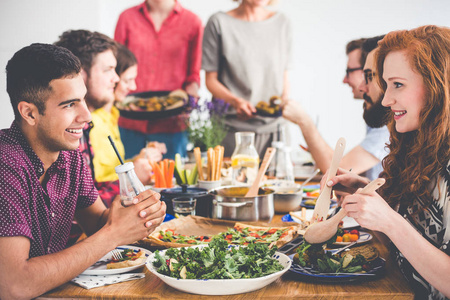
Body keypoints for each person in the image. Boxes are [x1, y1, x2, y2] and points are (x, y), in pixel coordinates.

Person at [0, 43, 166, 299]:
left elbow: (100, 224)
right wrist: (114, 232)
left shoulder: (71, 158)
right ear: (29, 113)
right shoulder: (6, 165)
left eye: (84, 99)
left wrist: (137, 215)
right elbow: (14, 285)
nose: (87, 116)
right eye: (69, 105)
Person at [325, 25, 450, 299]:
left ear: (437, 85)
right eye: (386, 84)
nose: (385, 99)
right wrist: (369, 201)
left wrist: (391, 221)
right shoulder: (417, 147)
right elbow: (406, 249)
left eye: (398, 84)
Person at [54, 30, 157, 207]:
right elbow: (77, 211)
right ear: (80, 74)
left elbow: (87, 198)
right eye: (108, 70)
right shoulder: (63, 131)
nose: (116, 78)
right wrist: (131, 181)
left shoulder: (84, 126)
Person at [282, 36, 390, 180]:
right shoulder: (376, 117)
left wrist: (304, 121)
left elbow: (336, 172)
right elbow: (353, 171)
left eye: (349, 71)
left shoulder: (386, 122)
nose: (344, 80)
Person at [202, 0, 292, 158]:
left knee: (277, 183)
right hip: (231, 131)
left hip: (275, 130)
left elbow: (283, 74)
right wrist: (236, 101)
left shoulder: (282, 23)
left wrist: (285, 101)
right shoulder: (219, 22)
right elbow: (210, 80)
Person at [115, 0, 203, 159]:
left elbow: (193, 74)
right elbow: (115, 66)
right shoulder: (127, 18)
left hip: (172, 124)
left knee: (172, 181)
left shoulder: (193, 22)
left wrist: (192, 94)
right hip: (130, 121)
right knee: (127, 179)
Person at [89, 43, 167, 185]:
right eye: (127, 80)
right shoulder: (92, 122)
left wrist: (140, 158)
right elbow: (94, 185)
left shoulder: (112, 115)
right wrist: (134, 175)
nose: (133, 87)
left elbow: (114, 168)